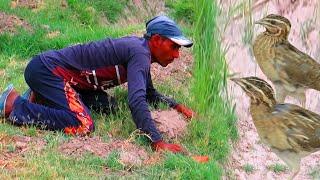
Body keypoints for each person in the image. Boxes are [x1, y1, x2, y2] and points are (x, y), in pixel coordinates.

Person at [0, 15, 194, 153]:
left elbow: (148, 93)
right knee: (83, 124)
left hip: (63, 77)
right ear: (157, 40)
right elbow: (136, 100)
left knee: (108, 107)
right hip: (46, 70)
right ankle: (14, 105)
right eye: (174, 46)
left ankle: (41, 97)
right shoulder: (140, 53)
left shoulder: (141, 53)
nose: (177, 55)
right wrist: (157, 142)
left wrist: (178, 106)